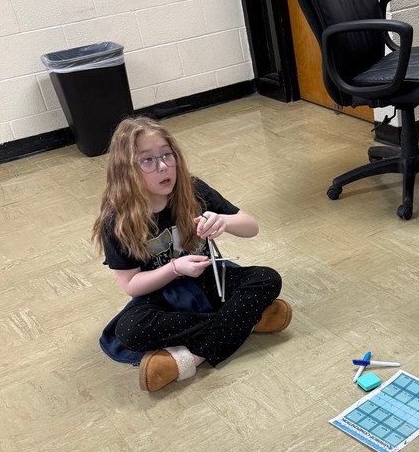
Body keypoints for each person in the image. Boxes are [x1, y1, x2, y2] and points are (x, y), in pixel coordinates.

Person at [92, 116, 291, 392]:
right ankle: (248, 320)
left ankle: (192, 358)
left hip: (209, 279)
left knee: (267, 278)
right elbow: (131, 285)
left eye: (167, 155)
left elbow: (251, 227)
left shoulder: (193, 189)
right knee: (130, 330)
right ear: (126, 170)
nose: (163, 166)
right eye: (147, 160)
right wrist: (175, 269)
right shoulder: (117, 220)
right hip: (162, 293)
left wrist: (224, 221)